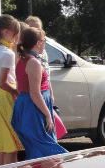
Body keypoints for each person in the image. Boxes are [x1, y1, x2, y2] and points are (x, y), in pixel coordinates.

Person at [11, 27, 67, 160]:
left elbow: (22, 88)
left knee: (36, 149)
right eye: (43, 41)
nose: (44, 44)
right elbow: (35, 93)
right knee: (48, 147)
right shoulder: (33, 63)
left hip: (28, 105)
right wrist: (48, 115)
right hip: (35, 108)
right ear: (37, 43)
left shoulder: (23, 60)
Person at [0, 14, 23, 166]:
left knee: (1, 145)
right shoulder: (7, 53)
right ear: (7, 31)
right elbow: (4, 82)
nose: (16, 37)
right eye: (15, 33)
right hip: (6, 97)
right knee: (12, 145)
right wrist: (17, 93)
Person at [25, 15, 66, 139]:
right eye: (33, 29)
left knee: (50, 129)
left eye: (39, 29)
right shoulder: (27, 56)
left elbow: (47, 75)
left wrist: (51, 92)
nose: (36, 32)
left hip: (45, 92)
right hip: (35, 95)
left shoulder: (44, 53)